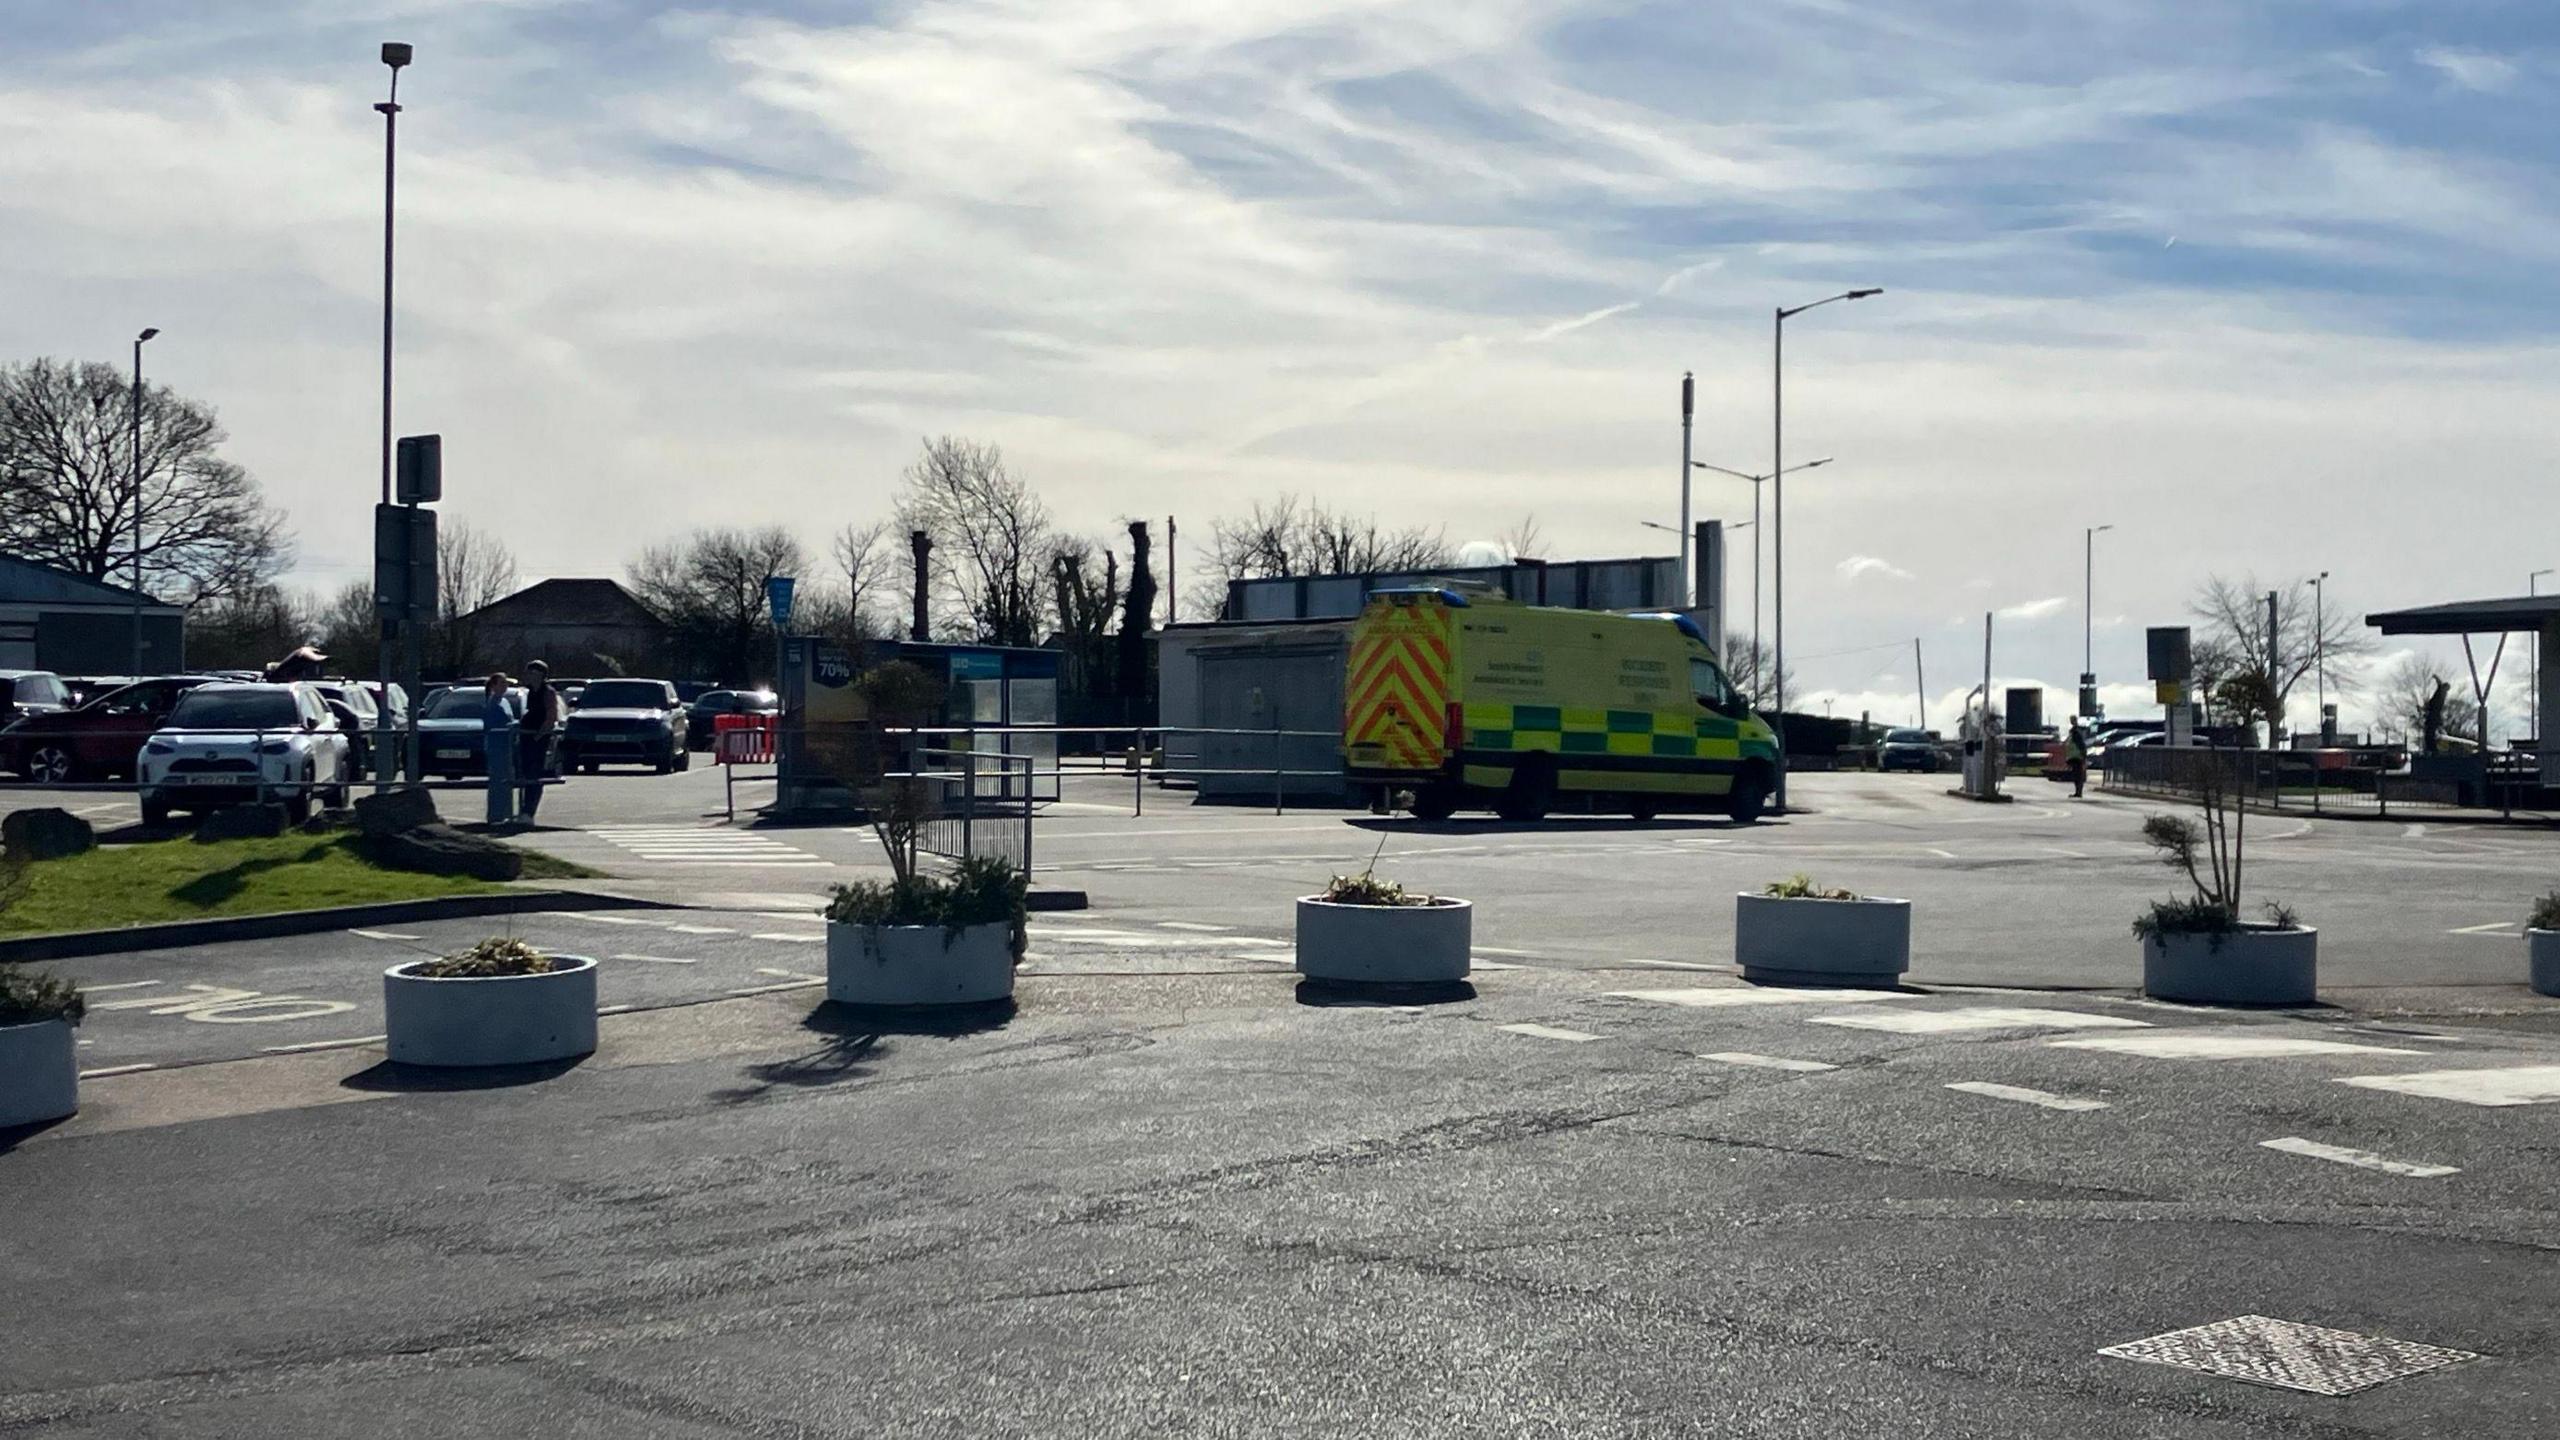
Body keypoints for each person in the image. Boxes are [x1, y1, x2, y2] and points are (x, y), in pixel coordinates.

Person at [518, 659, 561, 823]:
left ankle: (529, 812)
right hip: (526, 737)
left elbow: (551, 718)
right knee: (525, 773)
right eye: (529, 673)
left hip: (538, 739)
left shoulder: (547, 692)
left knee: (534, 775)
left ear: (541, 675)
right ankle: (523, 811)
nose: (530, 676)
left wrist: (538, 736)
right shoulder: (530, 692)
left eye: (533, 673)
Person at [480, 672, 522, 828]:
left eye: (506, 684)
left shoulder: (504, 702)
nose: (505, 686)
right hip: (496, 747)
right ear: (494, 686)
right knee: (497, 781)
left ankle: (506, 813)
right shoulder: (492, 704)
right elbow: (494, 726)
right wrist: (513, 726)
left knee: (507, 780)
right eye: (502, 683)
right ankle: (495, 815)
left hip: (507, 747)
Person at [2065, 719, 2090, 798]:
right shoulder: (2074, 733)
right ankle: (2078, 792)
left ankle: (2078, 792)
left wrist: (2083, 756)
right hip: (2074, 757)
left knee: (2078, 775)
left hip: (2077, 757)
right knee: (2076, 775)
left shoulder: (2076, 734)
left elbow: (2081, 746)